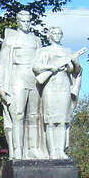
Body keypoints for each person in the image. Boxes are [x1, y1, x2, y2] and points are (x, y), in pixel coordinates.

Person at [0, 10, 44, 159]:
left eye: (29, 21)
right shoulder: (11, 39)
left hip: (34, 79)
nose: (26, 24)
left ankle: (34, 148)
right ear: (17, 21)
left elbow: (43, 61)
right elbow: (2, 64)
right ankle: (18, 149)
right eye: (23, 21)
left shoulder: (36, 40)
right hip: (17, 78)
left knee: (34, 115)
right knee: (18, 115)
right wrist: (1, 86)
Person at [33, 27, 84, 159]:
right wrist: (51, 67)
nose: (57, 36)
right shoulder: (44, 51)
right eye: (54, 34)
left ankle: (60, 150)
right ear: (49, 36)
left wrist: (76, 62)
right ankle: (52, 151)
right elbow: (36, 66)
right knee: (50, 121)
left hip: (64, 87)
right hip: (50, 87)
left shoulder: (67, 51)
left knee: (62, 120)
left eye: (59, 34)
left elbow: (76, 71)